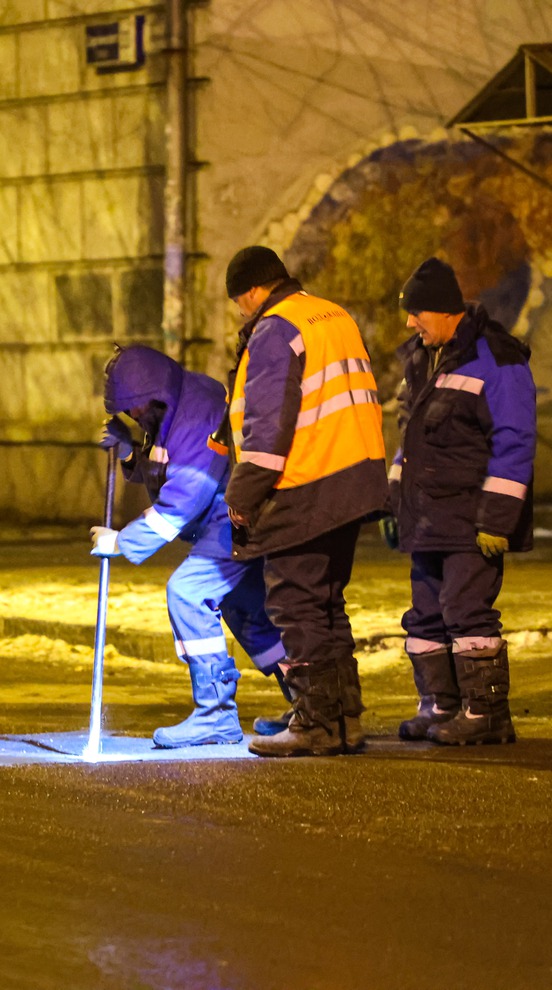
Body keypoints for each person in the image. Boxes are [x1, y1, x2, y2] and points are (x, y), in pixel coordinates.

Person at [208, 246, 389, 757]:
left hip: (308, 483)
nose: (242, 313)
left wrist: (242, 497)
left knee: (296, 604)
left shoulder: (275, 329)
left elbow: (268, 426)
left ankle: (316, 722)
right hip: (355, 477)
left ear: (249, 292)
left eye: (239, 303)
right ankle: (344, 719)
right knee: (328, 604)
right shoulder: (333, 316)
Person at [89, 344, 290, 748]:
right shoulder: (169, 411)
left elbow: (185, 497)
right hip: (226, 521)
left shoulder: (196, 412)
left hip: (232, 520)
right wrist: (130, 450)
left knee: (188, 592)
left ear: (152, 396)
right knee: (243, 605)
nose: (135, 417)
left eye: (135, 410)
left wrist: (122, 541)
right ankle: (308, 698)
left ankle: (215, 715)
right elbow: (163, 470)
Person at [388, 257, 536, 745]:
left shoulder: (498, 359)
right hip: (428, 515)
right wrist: (396, 501)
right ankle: (441, 706)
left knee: (466, 610)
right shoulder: (420, 357)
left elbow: (514, 442)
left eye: (417, 313)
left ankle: (486, 713)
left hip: (471, 519)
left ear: (445, 311)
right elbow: (409, 438)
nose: (410, 323)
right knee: (426, 614)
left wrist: (497, 519)